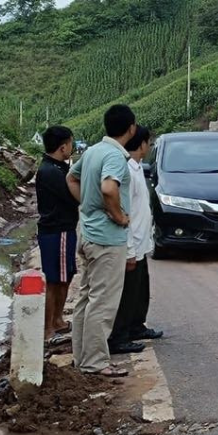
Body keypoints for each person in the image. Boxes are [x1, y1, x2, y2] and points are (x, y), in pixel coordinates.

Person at [67, 104, 136, 377]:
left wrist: (88, 205)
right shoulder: (115, 156)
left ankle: (82, 357)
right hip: (107, 238)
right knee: (103, 301)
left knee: (86, 297)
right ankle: (95, 361)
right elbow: (109, 188)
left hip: (87, 231)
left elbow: (71, 178)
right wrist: (118, 216)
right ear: (131, 128)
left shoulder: (93, 150)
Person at [108, 126, 163, 353]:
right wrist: (129, 248)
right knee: (127, 293)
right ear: (141, 144)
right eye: (148, 143)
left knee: (140, 288)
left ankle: (136, 325)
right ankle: (119, 336)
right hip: (132, 241)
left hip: (142, 241)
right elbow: (124, 211)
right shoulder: (127, 171)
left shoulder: (139, 168)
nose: (148, 147)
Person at [35, 125, 78, 344]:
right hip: (57, 230)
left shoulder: (56, 168)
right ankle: (48, 327)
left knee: (65, 276)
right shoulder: (51, 172)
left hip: (62, 229)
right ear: (63, 147)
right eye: (71, 143)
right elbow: (74, 197)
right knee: (54, 280)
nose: (72, 147)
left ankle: (58, 320)